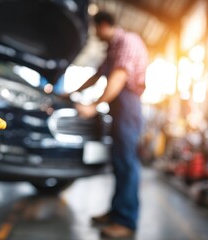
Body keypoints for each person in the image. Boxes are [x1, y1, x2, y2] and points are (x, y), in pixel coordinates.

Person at [70, 11, 149, 238]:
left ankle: (126, 220)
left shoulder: (127, 41)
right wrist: (72, 92)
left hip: (128, 105)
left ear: (104, 25)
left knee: (126, 163)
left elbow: (118, 78)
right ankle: (116, 212)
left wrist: (94, 106)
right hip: (119, 107)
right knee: (118, 162)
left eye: (95, 29)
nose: (95, 33)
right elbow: (97, 76)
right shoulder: (113, 47)